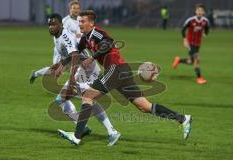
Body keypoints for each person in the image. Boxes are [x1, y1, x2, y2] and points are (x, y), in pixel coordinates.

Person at [55, 10, 193, 145]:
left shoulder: (96, 32)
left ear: (91, 23)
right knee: (145, 106)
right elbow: (76, 53)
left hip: (115, 69)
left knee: (88, 96)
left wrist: (93, 58)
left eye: (83, 22)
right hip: (122, 71)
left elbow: (108, 43)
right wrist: (63, 63)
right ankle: (183, 118)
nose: (80, 24)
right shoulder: (85, 38)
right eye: (79, 21)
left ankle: (77, 136)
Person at [31, 13, 120, 146]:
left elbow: (75, 56)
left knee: (88, 98)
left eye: (54, 24)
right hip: (80, 68)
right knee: (63, 99)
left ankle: (111, 131)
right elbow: (69, 56)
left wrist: (72, 78)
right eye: (49, 24)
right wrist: (59, 65)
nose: (51, 27)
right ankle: (84, 127)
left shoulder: (65, 36)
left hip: (86, 69)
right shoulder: (56, 36)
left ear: (61, 24)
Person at [172, 4, 210, 84]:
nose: (199, 12)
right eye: (198, 10)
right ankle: (199, 78)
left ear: (204, 12)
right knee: (197, 59)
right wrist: (184, 40)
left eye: (201, 11)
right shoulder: (190, 20)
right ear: (195, 11)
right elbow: (183, 30)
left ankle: (179, 60)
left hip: (197, 44)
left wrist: (205, 34)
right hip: (189, 43)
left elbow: (207, 29)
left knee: (191, 62)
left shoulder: (205, 21)